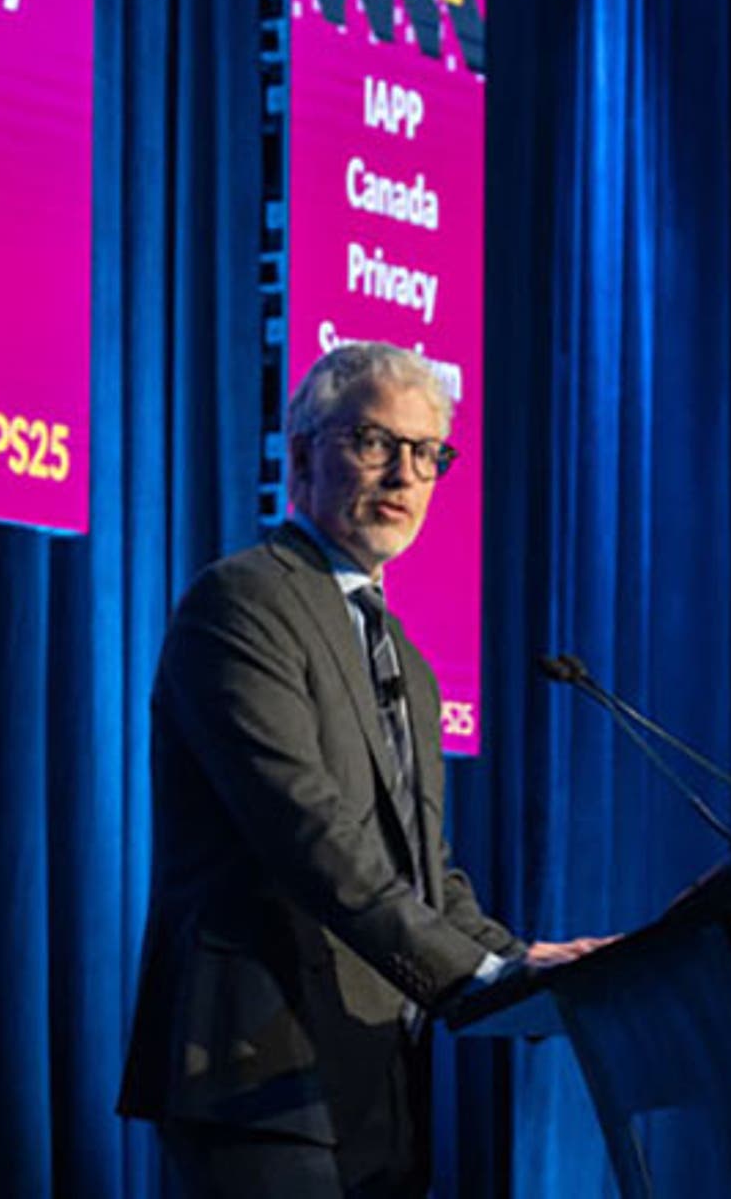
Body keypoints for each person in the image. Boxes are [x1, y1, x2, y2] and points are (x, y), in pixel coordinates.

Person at [118, 342, 602, 1197]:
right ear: (303, 454)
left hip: (381, 1078)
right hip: (258, 1070)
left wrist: (518, 960)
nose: (405, 475)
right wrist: (475, 976)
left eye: (426, 454)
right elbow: (309, 835)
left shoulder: (408, 660)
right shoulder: (244, 602)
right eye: (375, 442)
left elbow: (421, 869)